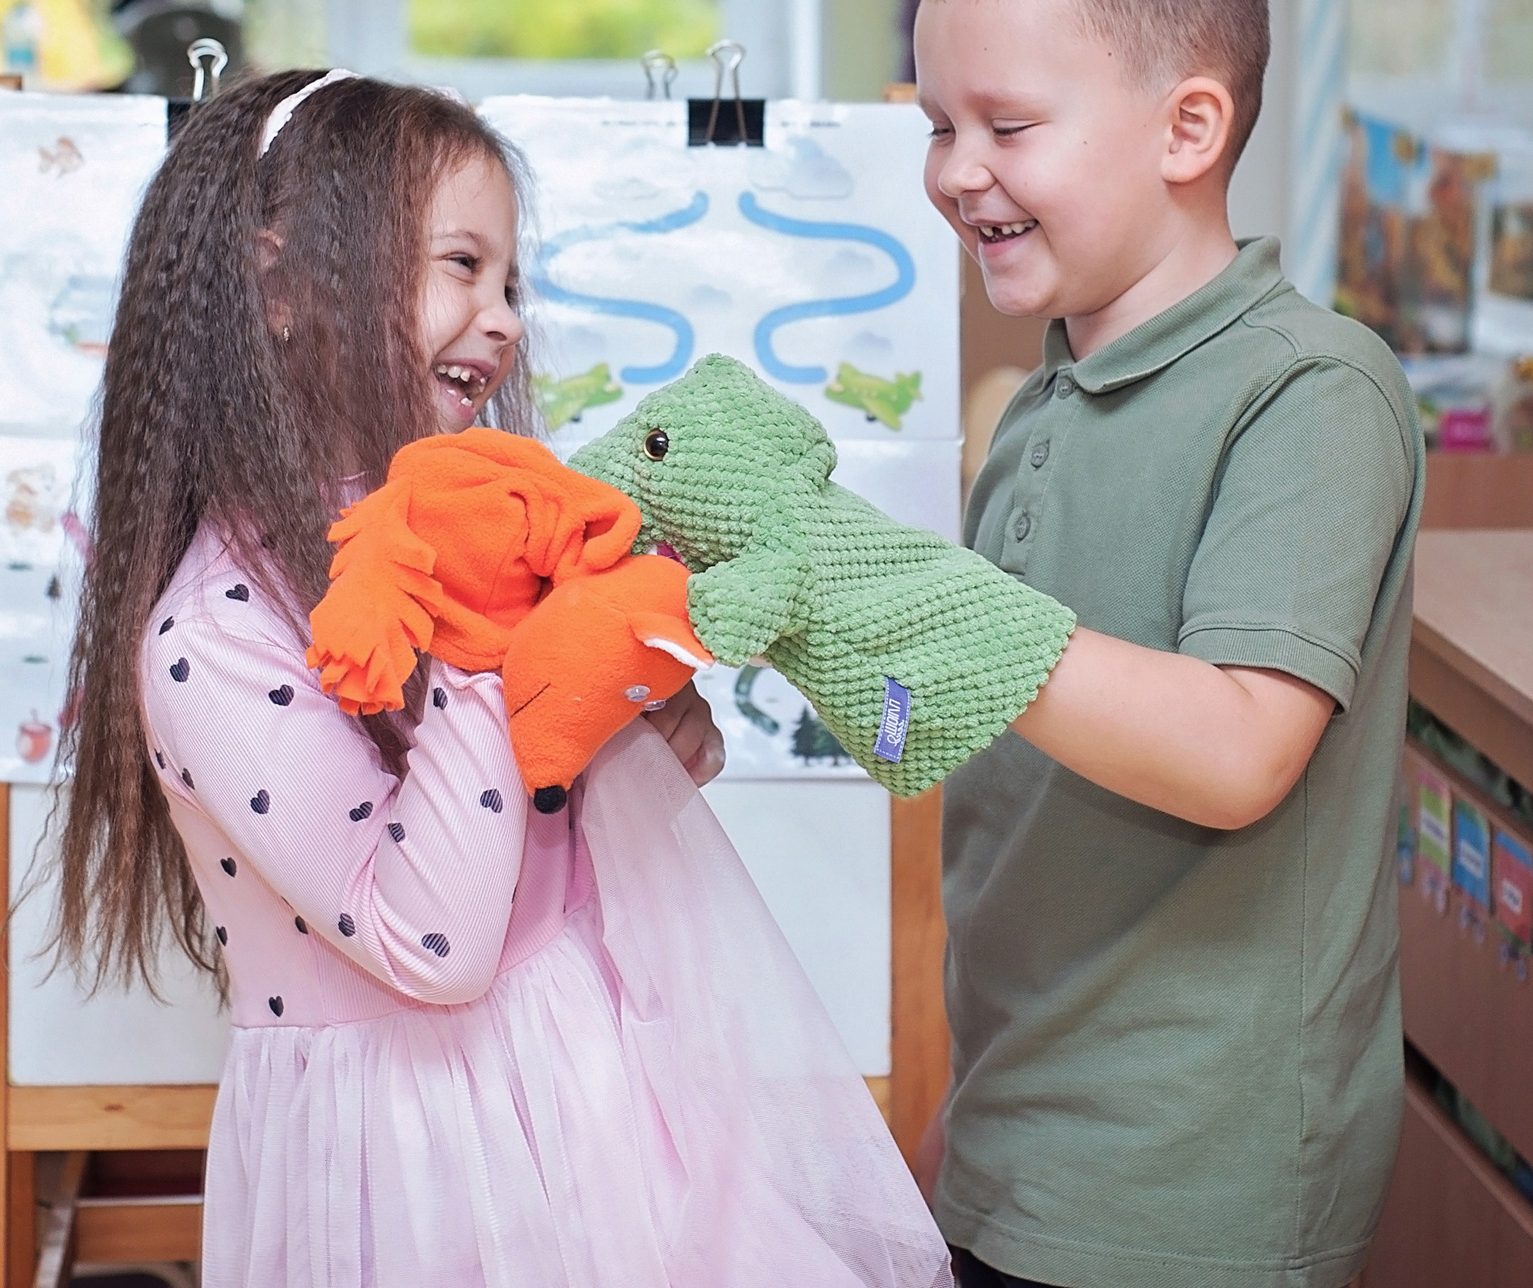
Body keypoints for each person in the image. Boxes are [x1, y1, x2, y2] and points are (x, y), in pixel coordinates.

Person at [52, 71, 950, 1288]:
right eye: (460, 267)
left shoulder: (440, 524)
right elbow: (433, 941)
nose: (503, 316)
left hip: (584, 1080)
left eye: (510, 280)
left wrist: (624, 725)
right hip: (416, 1158)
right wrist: (493, 649)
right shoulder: (210, 634)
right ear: (279, 289)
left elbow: (542, 820)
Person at [910, 0, 1423, 1288]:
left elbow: (1239, 748)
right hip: (1031, 1116)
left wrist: (945, 618)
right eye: (941, 125)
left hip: (1200, 1166)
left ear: (1189, 127)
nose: (957, 170)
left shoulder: (1311, 393)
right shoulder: (1046, 395)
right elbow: (989, 750)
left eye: (1007, 124)